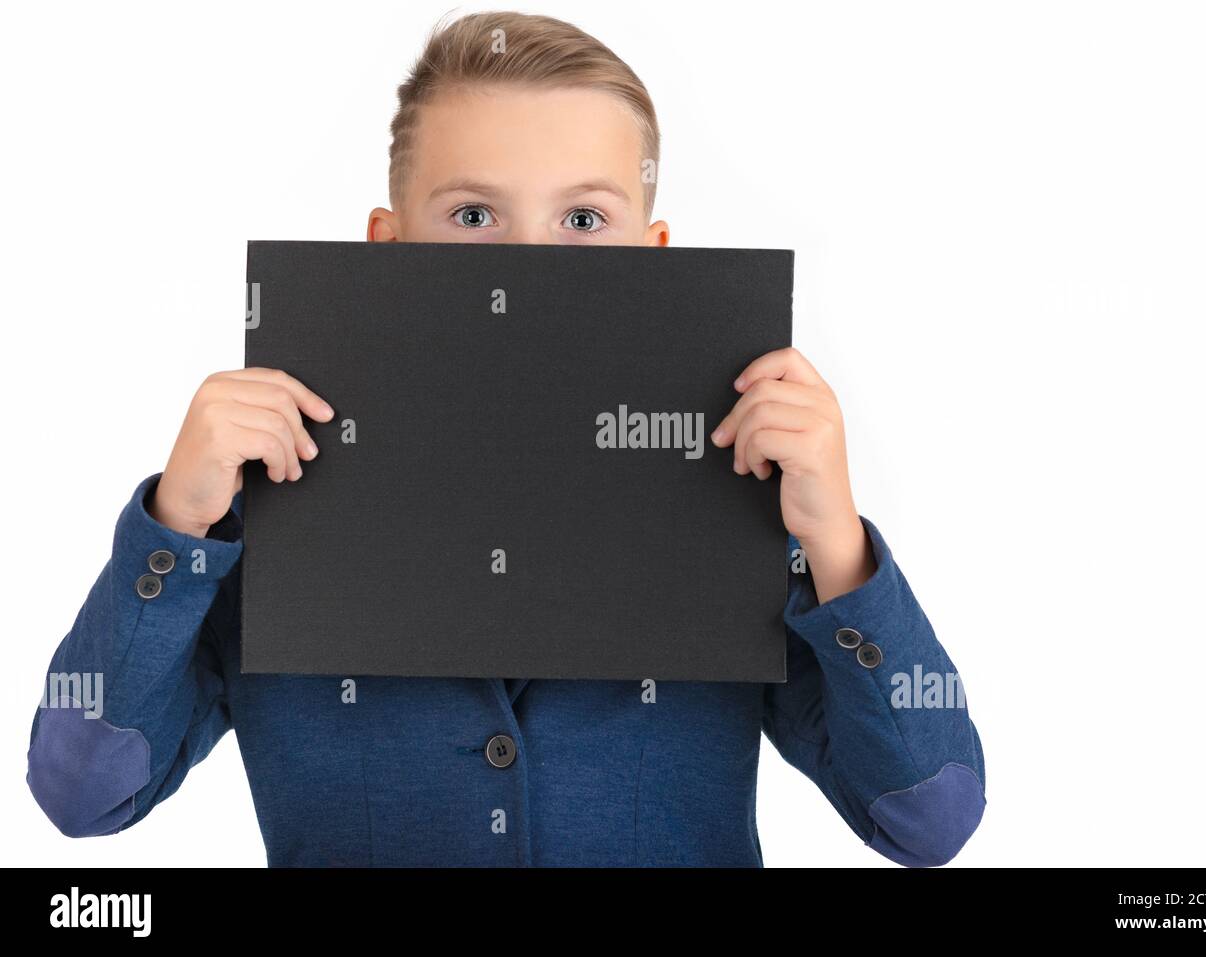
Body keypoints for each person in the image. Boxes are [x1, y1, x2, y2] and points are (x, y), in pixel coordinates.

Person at [26, 10, 986, 866]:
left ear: (653, 257)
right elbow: (82, 793)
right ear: (387, 244)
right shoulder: (265, 508)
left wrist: (838, 547)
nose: (528, 261)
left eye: (582, 217)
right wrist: (176, 525)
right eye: (475, 214)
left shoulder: (741, 500)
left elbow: (927, 816)